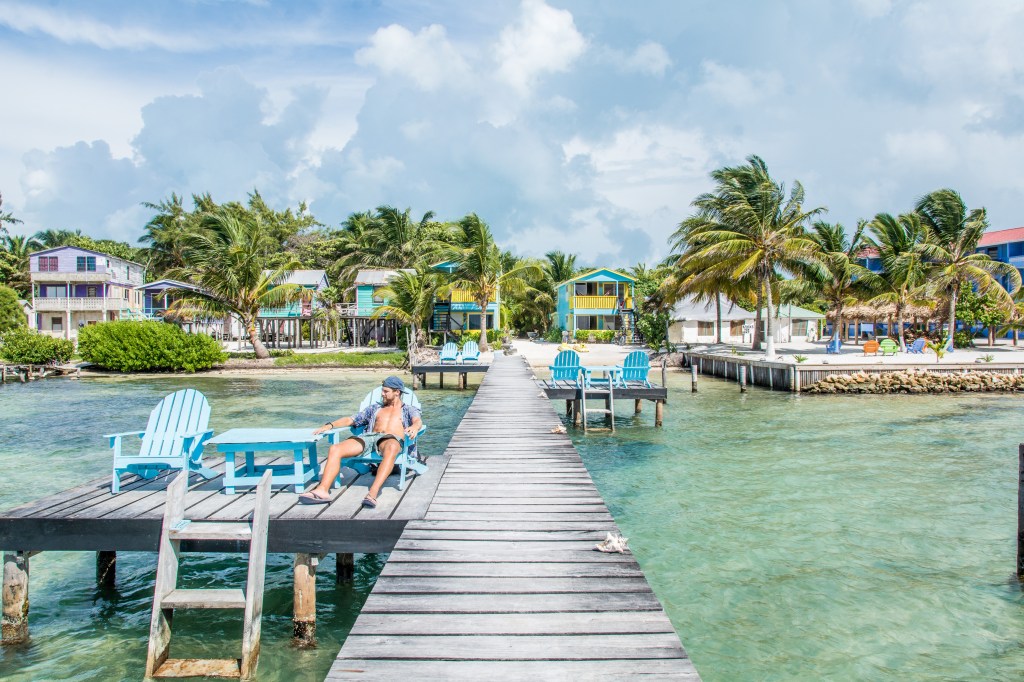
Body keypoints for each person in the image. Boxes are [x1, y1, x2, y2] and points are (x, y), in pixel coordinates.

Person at [298, 376, 423, 508]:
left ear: (397, 392)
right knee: (335, 449)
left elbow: (417, 421)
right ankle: (322, 490)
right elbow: (351, 419)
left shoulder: (409, 409)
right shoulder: (374, 408)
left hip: (392, 439)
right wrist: (330, 425)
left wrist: (414, 427)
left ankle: (372, 494)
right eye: (382, 390)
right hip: (369, 437)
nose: (382, 394)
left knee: (391, 447)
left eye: (386, 391)